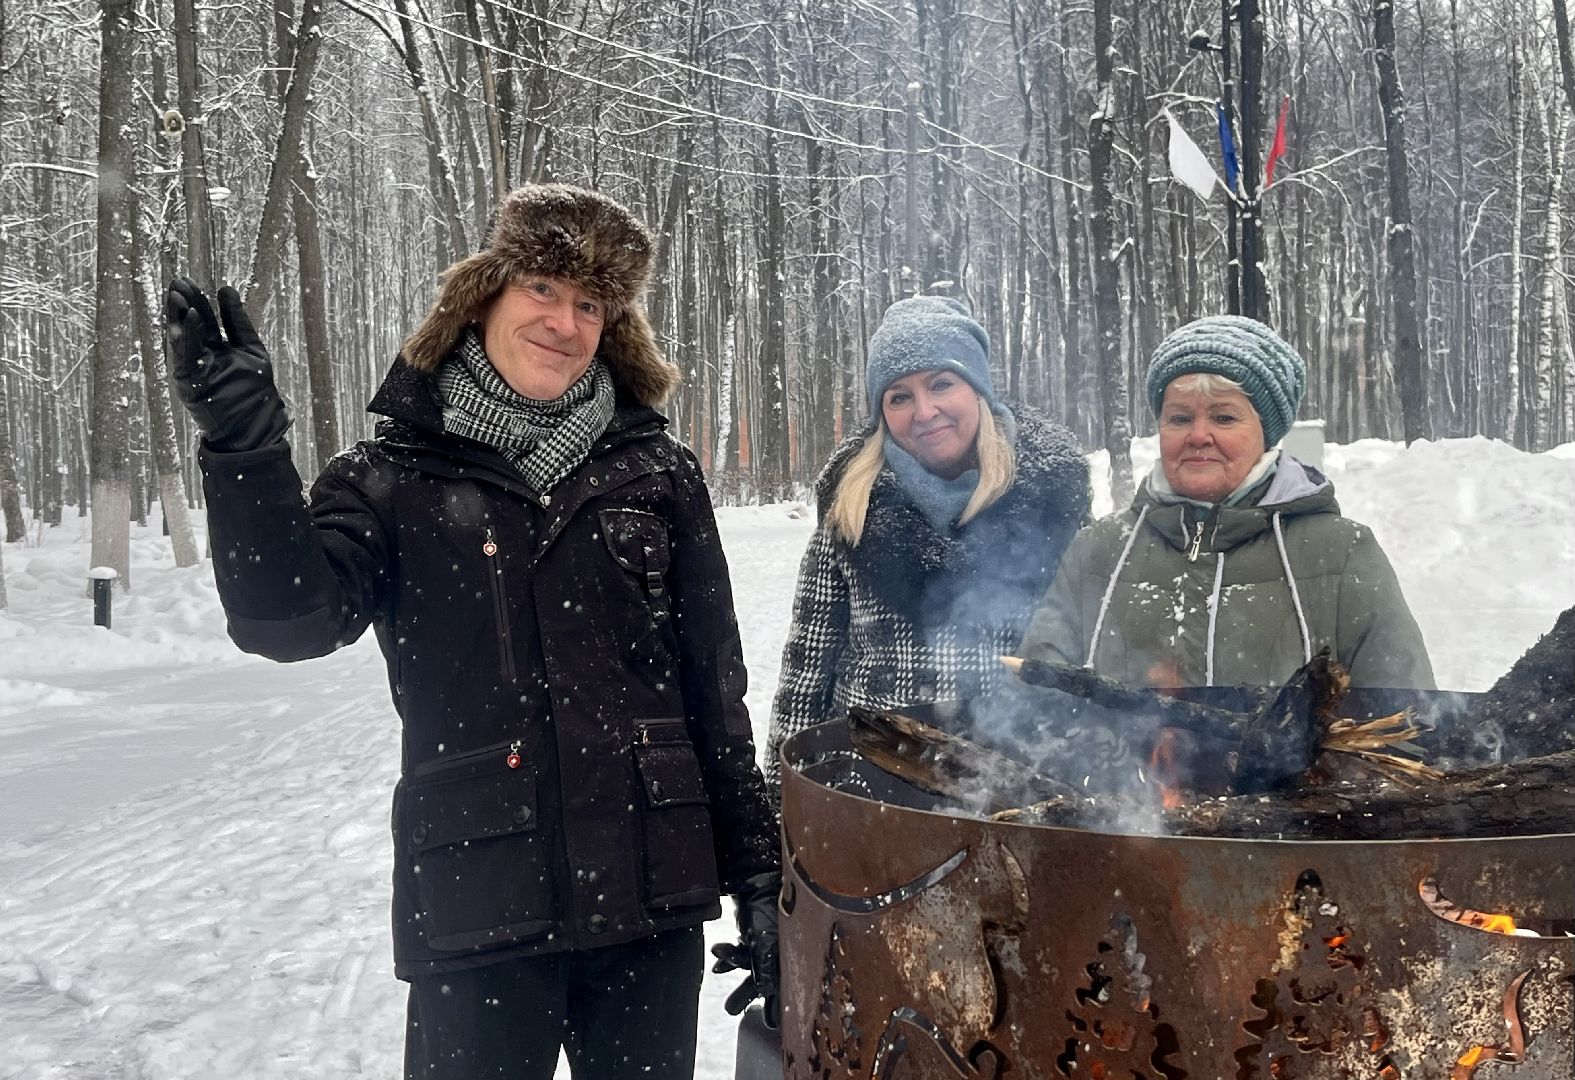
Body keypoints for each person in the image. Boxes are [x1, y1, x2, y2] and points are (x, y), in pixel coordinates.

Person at [163, 183, 780, 1079]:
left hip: (652, 904)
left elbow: (715, 698)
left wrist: (759, 875)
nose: (563, 322)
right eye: (541, 289)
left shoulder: (658, 471)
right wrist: (244, 447)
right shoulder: (388, 477)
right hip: (479, 901)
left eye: (589, 305)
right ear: (484, 292)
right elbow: (287, 622)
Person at [764, 296, 1091, 790]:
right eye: (899, 396)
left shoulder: (1053, 502)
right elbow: (805, 681)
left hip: (1020, 789)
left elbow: (1093, 666)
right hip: (874, 791)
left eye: (941, 384)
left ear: (976, 388)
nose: (925, 411)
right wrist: (782, 802)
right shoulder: (853, 511)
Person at [1020, 314, 1435, 690]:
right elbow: (1036, 707)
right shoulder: (1098, 551)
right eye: (1180, 418)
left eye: (1224, 417)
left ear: (1266, 433)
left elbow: (1402, 727)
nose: (1198, 435)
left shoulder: (1342, 553)